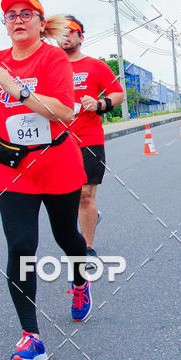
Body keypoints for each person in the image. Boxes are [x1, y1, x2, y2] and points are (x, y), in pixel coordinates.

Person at [0, 0, 89, 360]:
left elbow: (62, 110)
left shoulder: (54, 58)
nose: (18, 20)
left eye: (27, 14)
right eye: (11, 15)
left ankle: (79, 281)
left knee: (67, 237)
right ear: (5, 24)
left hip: (57, 162)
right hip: (13, 166)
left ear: (42, 23)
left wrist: (19, 90)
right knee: (21, 245)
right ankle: (31, 336)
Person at [59, 16, 124, 261]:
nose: (65, 36)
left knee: (86, 194)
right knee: (69, 196)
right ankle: (89, 217)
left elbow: (118, 94)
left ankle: (86, 247)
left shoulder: (95, 66)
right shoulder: (50, 67)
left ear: (80, 36)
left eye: (71, 31)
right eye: (60, 32)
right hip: (56, 141)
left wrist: (99, 103)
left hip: (88, 139)